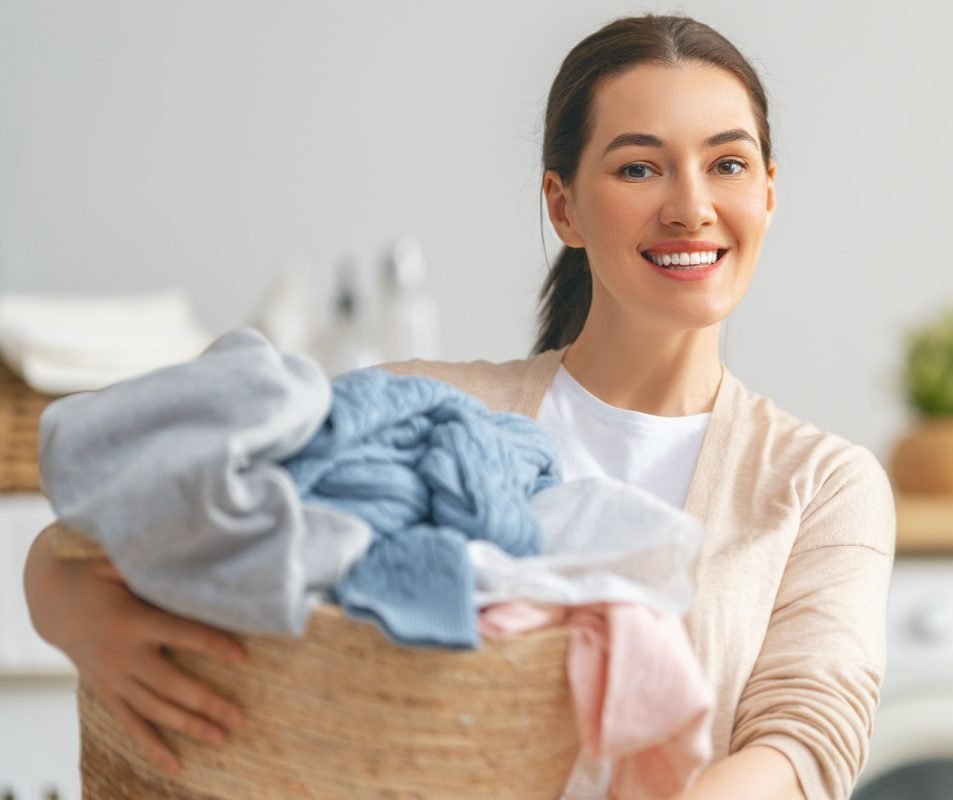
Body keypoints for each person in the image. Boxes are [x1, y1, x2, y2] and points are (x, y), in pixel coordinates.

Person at [23, 14, 895, 800]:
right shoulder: (419, 409)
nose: (692, 206)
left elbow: (806, 744)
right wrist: (73, 611)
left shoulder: (821, 486)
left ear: (768, 194)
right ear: (566, 206)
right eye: (639, 166)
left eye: (728, 163)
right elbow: (132, 515)